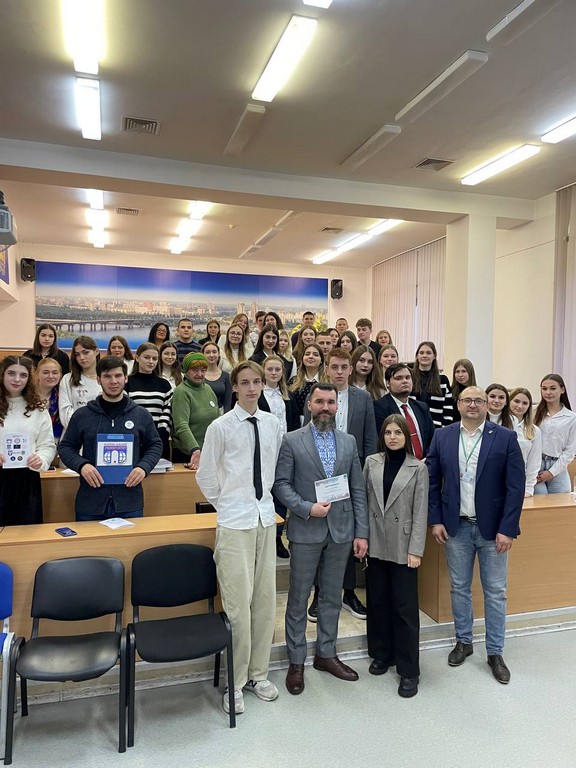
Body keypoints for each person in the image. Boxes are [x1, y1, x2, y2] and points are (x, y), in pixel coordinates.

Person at [197, 361, 283, 715]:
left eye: (256, 382)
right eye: (244, 382)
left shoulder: (272, 424)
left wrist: (257, 505)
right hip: (234, 523)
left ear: (263, 385)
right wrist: (229, 504)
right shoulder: (221, 427)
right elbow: (205, 476)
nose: (251, 388)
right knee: (237, 605)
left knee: (264, 601)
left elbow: (273, 468)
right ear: (234, 387)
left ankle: (258, 674)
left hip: (265, 518)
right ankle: (235, 681)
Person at [274, 382, 369, 695]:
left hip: (341, 531)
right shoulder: (291, 440)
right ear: (309, 405)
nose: (325, 407)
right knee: (299, 597)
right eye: (320, 402)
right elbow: (281, 485)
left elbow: (357, 489)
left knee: (331, 597)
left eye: (331, 402)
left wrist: (361, 532)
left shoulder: (348, 441)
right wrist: (306, 508)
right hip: (306, 530)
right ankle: (296, 660)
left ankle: (326, 654)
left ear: (337, 406)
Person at [427, 386, 525, 684]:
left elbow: (515, 487)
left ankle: (495, 652)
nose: (473, 404)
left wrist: (508, 528)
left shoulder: (505, 437)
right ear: (458, 404)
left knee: (495, 591)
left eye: (479, 400)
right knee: (459, 587)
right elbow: (432, 482)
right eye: (467, 400)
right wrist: (436, 520)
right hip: (455, 527)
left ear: (488, 405)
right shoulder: (442, 436)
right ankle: (464, 641)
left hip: (493, 530)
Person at [304, 347, 378, 620]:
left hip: (351, 474)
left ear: (351, 369)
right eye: (334, 366)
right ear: (327, 368)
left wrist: (365, 476)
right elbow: (306, 436)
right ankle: (319, 593)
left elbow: (370, 439)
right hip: (321, 476)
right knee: (321, 535)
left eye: (344, 367)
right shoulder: (317, 395)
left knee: (345, 537)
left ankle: (348, 593)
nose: (339, 372)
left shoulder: (363, 398)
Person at [364, 414, 428, 698]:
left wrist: (416, 549)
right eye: (388, 432)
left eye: (398, 432)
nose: (392, 437)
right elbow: (364, 501)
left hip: (404, 545)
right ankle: (382, 654)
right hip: (376, 541)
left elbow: (421, 511)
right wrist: (362, 537)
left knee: (404, 609)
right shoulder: (371, 462)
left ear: (406, 436)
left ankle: (409, 670)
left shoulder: (418, 467)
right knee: (378, 602)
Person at [59, 356, 162, 522]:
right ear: (99, 379)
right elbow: (66, 447)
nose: (113, 381)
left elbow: (155, 445)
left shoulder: (141, 414)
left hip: (130, 502)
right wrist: (82, 465)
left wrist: (143, 467)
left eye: (118, 376)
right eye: (107, 376)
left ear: (126, 378)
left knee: (130, 540)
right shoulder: (82, 415)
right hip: (90, 502)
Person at [0, 356, 56, 525]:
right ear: (2, 374)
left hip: (27, 481)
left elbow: (47, 445)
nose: (17, 379)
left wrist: (41, 459)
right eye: (11, 373)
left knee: (27, 532)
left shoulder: (38, 409)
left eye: (23, 375)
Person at [258, 355, 300, 558]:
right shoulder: (257, 395)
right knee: (264, 493)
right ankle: (263, 537)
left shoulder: (288, 396)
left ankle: (277, 537)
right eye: (270, 369)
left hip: (284, 451)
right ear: (263, 371)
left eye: (277, 369)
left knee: (282, 495)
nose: (274, 373)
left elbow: (294, 424)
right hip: (264, 451)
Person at [374, 363, 435, 456]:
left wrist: (426, 459)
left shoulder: (422, 407)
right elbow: (383, 441)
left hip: (424, 462)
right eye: (399, 378)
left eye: (408, 378)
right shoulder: (379, 407)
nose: (405, 381)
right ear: (388, 383)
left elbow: (432, 439)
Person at [125, 342, 172, 460]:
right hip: (133, 439)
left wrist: (159, 435)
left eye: (154, 358)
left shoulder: (164, 385)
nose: (151, 361)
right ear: (137, 358)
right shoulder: (127, 383)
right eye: (147, 357)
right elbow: (125, 411)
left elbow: (167, 413)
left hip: (158, 440)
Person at [171, 352, 219, 466]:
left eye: (203, 370)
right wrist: (195, 449)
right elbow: (181, 425)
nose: (200, 374)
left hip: (207, 451)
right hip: (188, 453)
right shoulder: (181, 392)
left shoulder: (208, 389)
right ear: (186, 371)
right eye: (195, 370)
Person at [533, 373, 576, 494]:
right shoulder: (533, 412)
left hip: (559, 467)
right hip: (535, 466)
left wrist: (551, 473)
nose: (548, 392)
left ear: (562, 390)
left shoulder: (571, 417)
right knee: (538, 502)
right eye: (544, 388)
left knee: (562, 503)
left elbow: (570, 451)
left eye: (553, 388)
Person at [59, 335, 101, 431]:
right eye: (77, 354)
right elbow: (65, 413)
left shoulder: (107, 378)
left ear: (96, 351)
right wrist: (85, 428)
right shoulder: (68, 379)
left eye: (86, 352)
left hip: (100, 433)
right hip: (75, 433)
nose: (81, 357)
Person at [411, 341, 454, 429]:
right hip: (413, 429)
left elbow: (448, 409)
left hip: (437, 430)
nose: (424, 355)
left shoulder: (443, 380)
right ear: (417, 356)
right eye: (421, 353)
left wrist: (444, 429)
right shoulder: (409, 378)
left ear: (434, 356)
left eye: (428, 353)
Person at [509, 387, 542, 497]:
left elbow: (534, 461)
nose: (520, 406)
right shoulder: (499, 426)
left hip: (520, 481)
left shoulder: (534, 431)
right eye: (516, 401)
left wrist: (528, 487)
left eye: (525, 403)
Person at [289, 343, 325, 417]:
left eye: (315, 354)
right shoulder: (293, 381)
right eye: (307, 354)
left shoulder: (329, 381)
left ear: (321, 360)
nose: (311, 356)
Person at [35, 357, 63, 444]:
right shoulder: (27, 395)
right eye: (45, 372)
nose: (51, 376)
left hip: (54, 441)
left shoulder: (62, 396)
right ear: (37, 374)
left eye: (55, 373)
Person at [202, 342, 232, 413]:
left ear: (218, 354)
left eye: (214, 352)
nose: (211, 355)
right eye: (208, 352)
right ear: (203, 354)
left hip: (220, 414)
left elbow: (227, 402)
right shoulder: (198, 375)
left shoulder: (226, 376)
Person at [450, 359, 477, 423]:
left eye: (464, 371)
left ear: (470, 373)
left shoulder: (477, 393)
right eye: (457, 372)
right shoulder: (449, 392)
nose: (460, 375)